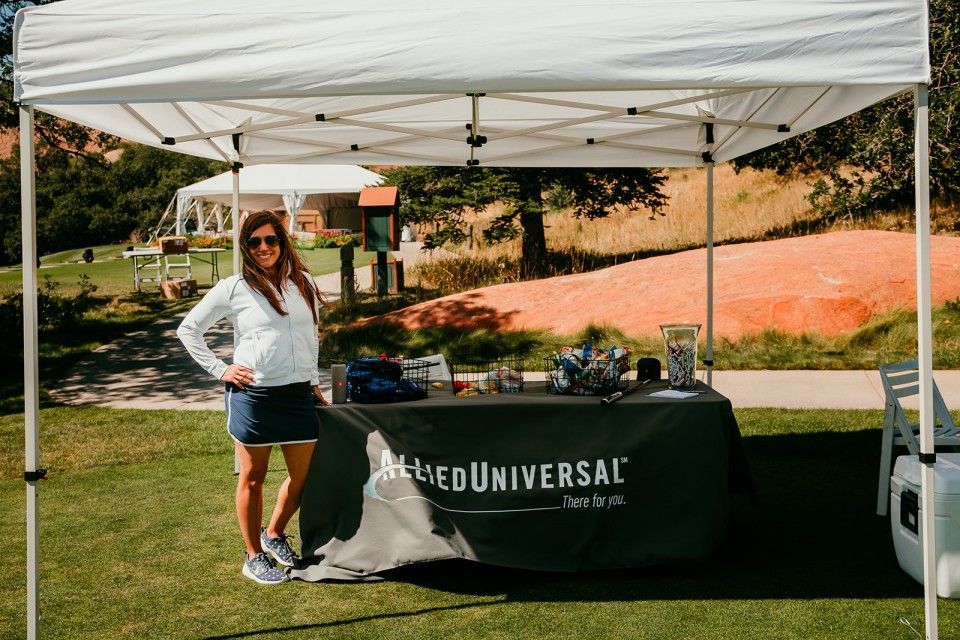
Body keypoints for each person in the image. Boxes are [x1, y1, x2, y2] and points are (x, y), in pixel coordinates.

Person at [177, 210, 328, 585]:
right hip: (253, 396)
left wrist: (312, 381)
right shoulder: (234, 288)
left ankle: (274, 533)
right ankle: (253, 556)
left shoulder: (303, 283)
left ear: (282, 242)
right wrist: (221, 369)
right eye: (254, 241)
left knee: (303, 477)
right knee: (254, 477)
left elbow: (309, 338)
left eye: (270, 240)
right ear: (245, 246)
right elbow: (189, 329)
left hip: (296, 395)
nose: (263, 247)